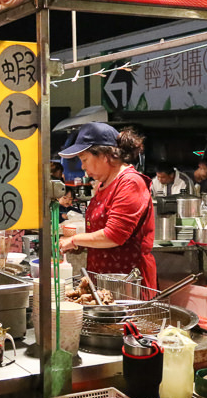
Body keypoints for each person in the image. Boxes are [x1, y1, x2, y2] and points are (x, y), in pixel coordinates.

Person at [57, 123, 157, 289]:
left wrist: (74, 240)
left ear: (105, 155)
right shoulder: (103, 184)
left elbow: (114, 235)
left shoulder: (130, 182)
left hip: (129, 285)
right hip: (104, 281)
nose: (82, 167)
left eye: (84, 159)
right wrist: (81, 244)